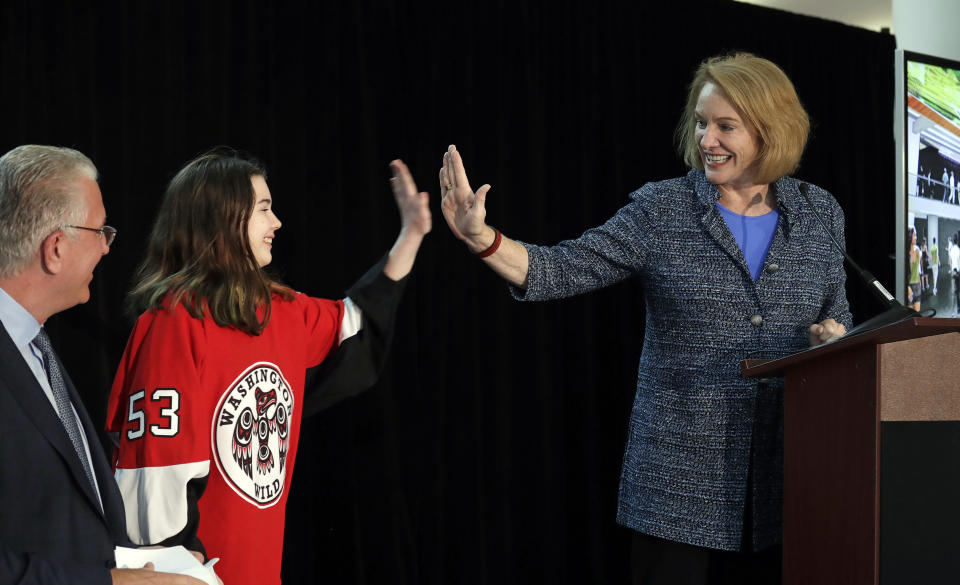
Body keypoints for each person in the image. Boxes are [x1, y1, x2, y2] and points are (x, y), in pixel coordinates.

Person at [440, 53, 850, 584]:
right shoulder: (663, 209)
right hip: (676, 487)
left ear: (772, 131)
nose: (707, 140)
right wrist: (482, 239)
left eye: (726, 126)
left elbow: (835, 310)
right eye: (702, 123)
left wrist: (832, 334)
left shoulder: (819, 211)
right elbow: (564, 268)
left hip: (785, 483)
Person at [105, 150, 431, 585]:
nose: (276, 222)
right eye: (263, 209)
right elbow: (154, 471)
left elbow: (357, 322)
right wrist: (179, 572)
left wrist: (410, 235)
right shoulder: (174, 322)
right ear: (222, 217)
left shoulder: (282, 312)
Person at [0, 145, 202, 585]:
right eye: (100, 231)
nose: (108, 247)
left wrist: (141, 562)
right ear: (55, 249)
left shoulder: (35, 347)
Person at [907, 227, 922, 311]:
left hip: (917, 284)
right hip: (909, 286)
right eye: (914, 235)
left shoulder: (917, 251)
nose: (916, 237)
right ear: (909, 237)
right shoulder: (905, 253)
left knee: (917, 312)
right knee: (909, 314)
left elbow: (918, 268)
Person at [950, 235, 960, 315]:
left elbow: (950, 261)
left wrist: (951, 269)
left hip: (953, 271)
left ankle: (952, 312)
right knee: (958, 291)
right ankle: (958, 310)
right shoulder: (958, 250)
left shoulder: (952, 250)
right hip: (958, 272)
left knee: (953, 291)